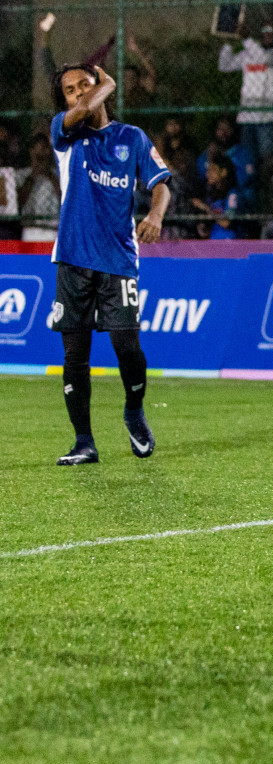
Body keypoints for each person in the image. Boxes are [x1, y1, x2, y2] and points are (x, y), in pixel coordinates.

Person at [45, 64, 170, 466]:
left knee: (126, 345)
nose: (78, 93)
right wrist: (107, 85)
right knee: (74, 356)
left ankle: (134, 410)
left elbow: (161, 185)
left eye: (85, 84)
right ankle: (84, 442)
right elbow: (81, 112)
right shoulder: (64, 133)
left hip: (117, 259)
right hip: (73, 260)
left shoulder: (131, 138)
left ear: (97, 86)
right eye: (69, 90)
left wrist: (155, 215)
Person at [217, 18, 273, 167]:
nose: (268, 33)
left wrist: (246, 40)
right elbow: (224, 65)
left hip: (270, 117)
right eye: (265, 30)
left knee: (268, 161)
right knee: (249, 161)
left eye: (272, 30)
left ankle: (267, 190)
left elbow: (264, 59)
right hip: (248, 116)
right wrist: (228, 42)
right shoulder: (248, 54)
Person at [19, 133, 60, 243]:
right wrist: (33, 175)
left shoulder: (58, 175)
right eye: (38, 154)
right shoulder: (23, 174)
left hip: (52, 228)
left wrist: (49, 175)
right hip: (30, 228)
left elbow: (64, 198)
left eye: (44, 150)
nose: (42, 156)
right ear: (31, 152)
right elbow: (20, 201)